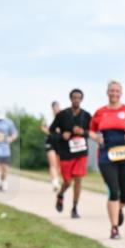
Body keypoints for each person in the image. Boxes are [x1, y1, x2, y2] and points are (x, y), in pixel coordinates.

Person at [89, 81, 125, 240]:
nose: (114, 93)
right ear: (107, 92)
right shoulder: (100, 112)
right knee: (113, 191)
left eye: (117, 91)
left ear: (121, 93)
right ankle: (114, 228)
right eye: (111, 90)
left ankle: (119, 208)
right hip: (106, 156)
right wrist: (96, 138)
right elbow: (91, 131)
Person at [51, 89, 92, 218]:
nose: (76, 100)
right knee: (68, 181)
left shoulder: (86, 115)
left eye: (79, 98)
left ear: (82, 99)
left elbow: (91, 132)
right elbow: (52, 130)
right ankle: (61, 194)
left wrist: (83, 132)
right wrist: (61, 135)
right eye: (74, 97)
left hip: (81, 152)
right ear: (70, 99)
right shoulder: (62, 115)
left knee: (78, 179)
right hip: (66, 152)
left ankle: (74, 208)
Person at [41, 101, 63, 191]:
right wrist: (50, 132)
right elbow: (42, 127)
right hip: (51, 141)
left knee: (59, 164)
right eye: (56, 107)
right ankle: (55, 182)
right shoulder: (48, 117)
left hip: (60, 142)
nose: (57, 108)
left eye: (58, 107)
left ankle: (56, 179)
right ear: (52, 108)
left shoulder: (63, 117)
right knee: (52, 163)